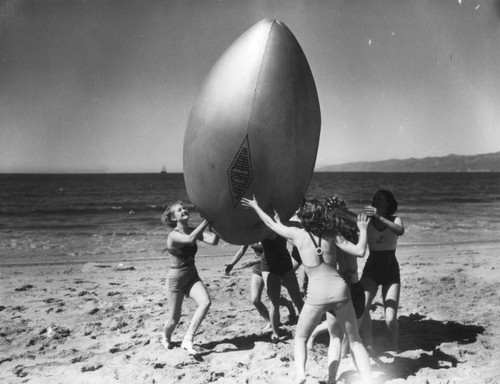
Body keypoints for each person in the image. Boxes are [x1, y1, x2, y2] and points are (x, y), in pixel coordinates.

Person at [241, 196, 373, 384]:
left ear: (304, 218)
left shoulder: (297, 235)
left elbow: (269, 224)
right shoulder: (333, 233)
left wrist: (255, 206)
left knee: (301, 338)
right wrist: (363, 230)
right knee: (355, 340)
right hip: (340, 290)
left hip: (316, 294)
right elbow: (360, 251)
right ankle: (368, 379)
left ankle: (301, 375)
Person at [307, 196, 367, 361]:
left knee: (337, 336)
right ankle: (347, 360)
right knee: (353, 336)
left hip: (338, 288)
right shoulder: (348, 237)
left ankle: (334, 372)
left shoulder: (328, 238)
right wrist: (364, 230)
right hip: (352, 287)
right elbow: (361, 252)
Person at [160, 200, 219, 355]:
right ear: (174, 218)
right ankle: (165, 337)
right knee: (174, 320)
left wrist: (217, 223)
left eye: (185, 208)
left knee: (206, 302)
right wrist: (207, 220)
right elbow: (191, 239)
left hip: (192, 276)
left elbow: (213, 240)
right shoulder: (173, 235)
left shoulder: (193, 230)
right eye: (180, 210)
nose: (184, 210)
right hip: (176, 281)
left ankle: (188, 339)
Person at [360, 189, 404, 354]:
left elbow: (400, 231)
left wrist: (379, 217)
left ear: (388, 203)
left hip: (390, 268)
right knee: (363, 308)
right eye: (374, 198)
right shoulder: (368, 221)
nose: (375, 201)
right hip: (372, 267)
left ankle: (393, 344)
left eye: (380, 199)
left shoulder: (395, 219)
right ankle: (369, 343)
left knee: (390, 317)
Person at [225, 243, 297, 333]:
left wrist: (255, 261)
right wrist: (232, 264)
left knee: (274, 299)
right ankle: (270, 322)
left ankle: (288, 305)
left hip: (272, 268)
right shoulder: (251, 232)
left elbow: (276, 254)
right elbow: (242, 248)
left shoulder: (269, 233)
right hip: (258, 268)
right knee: (255, 300)